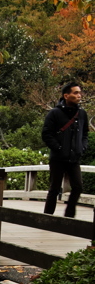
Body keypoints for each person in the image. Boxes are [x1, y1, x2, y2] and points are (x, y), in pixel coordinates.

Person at [42, 82, 89, 218]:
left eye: (80, 92)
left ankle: (69, 215)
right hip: (58, 158)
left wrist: (82, 147)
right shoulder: (54, 113)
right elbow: (46, 134)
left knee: (78, 187)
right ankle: (47, 217)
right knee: (54, 189)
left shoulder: (82, 114)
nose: (79, 95)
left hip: (74, 157)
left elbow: (85, 134)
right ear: (66, 95)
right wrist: (59, 148)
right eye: (75, 93)